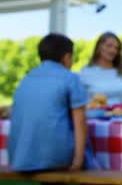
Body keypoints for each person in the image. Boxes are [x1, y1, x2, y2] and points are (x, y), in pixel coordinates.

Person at [9, 33, 88, 171]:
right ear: (66, 57)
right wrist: (78, 162)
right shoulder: (70, 78)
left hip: (20, 157)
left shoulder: (26, 79)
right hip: (57, 158)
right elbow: (80, 122)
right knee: (90, 155)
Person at [79, 32, 122, 106]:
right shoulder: (85, 72)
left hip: (120, 115)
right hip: (94, 116)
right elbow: (79, 102)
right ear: (99, 46)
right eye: (109, 46)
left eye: (116, 48)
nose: (113, 50)